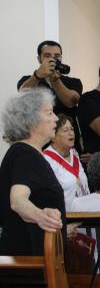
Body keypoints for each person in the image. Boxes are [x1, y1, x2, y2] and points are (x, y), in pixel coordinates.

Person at [0, 88, 66, 255]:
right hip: (29, 265)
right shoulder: (25, 154)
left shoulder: (27, 154)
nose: (56, 119)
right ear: (30, 120)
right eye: (50, 113)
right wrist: (41, 216)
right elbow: (17, 200)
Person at [17, 40, 83, 150]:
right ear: (39, 59)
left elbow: (71, 102)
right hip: (40, 142)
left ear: (61, 58)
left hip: (66, 141)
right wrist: (37, 75)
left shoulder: (73, 82)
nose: (53, 60)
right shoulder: (29, 80)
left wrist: (55, 81)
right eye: (47, 56)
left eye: (57, 56)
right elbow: (22, 94)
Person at [43, 113, 90, 210]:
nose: (71, 133)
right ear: (53, 136)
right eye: (65, 130)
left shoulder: (74, 152)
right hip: (66, 220)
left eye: (72, 129)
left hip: (86, 217)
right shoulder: (46, 159)